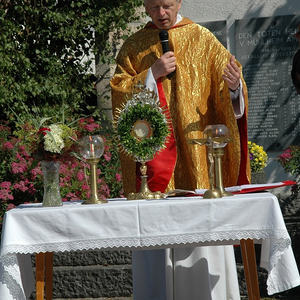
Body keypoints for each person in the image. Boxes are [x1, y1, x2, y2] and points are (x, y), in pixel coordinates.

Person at [110, 0, 250, 299]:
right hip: (156, 172)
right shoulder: (134, 46)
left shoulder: (203, 39)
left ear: (179, 3)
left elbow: (230, 95)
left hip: (200, 164)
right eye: (155, 7)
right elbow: (119, 93)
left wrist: (236, 88)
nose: (162, 13)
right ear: (146, 8)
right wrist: (151, 75)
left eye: (168, 5)